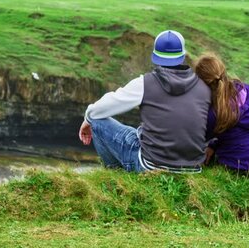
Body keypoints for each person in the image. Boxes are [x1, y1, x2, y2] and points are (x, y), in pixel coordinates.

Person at [78, 30, 211, 173]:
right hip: (192, 169)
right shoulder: (203, 88)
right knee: (136, 132)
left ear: (155, 56)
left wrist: (88, 118)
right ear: (183, 55)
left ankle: (114, 174)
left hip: (150, 166)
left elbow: (103, 107)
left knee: (97, 121)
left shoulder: (145, 83)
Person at [194, 54, 249, 176]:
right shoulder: (248, 91)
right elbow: (235, 131)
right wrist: (213, 146)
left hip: (237, 169)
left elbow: (196, 139)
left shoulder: (214, 113)